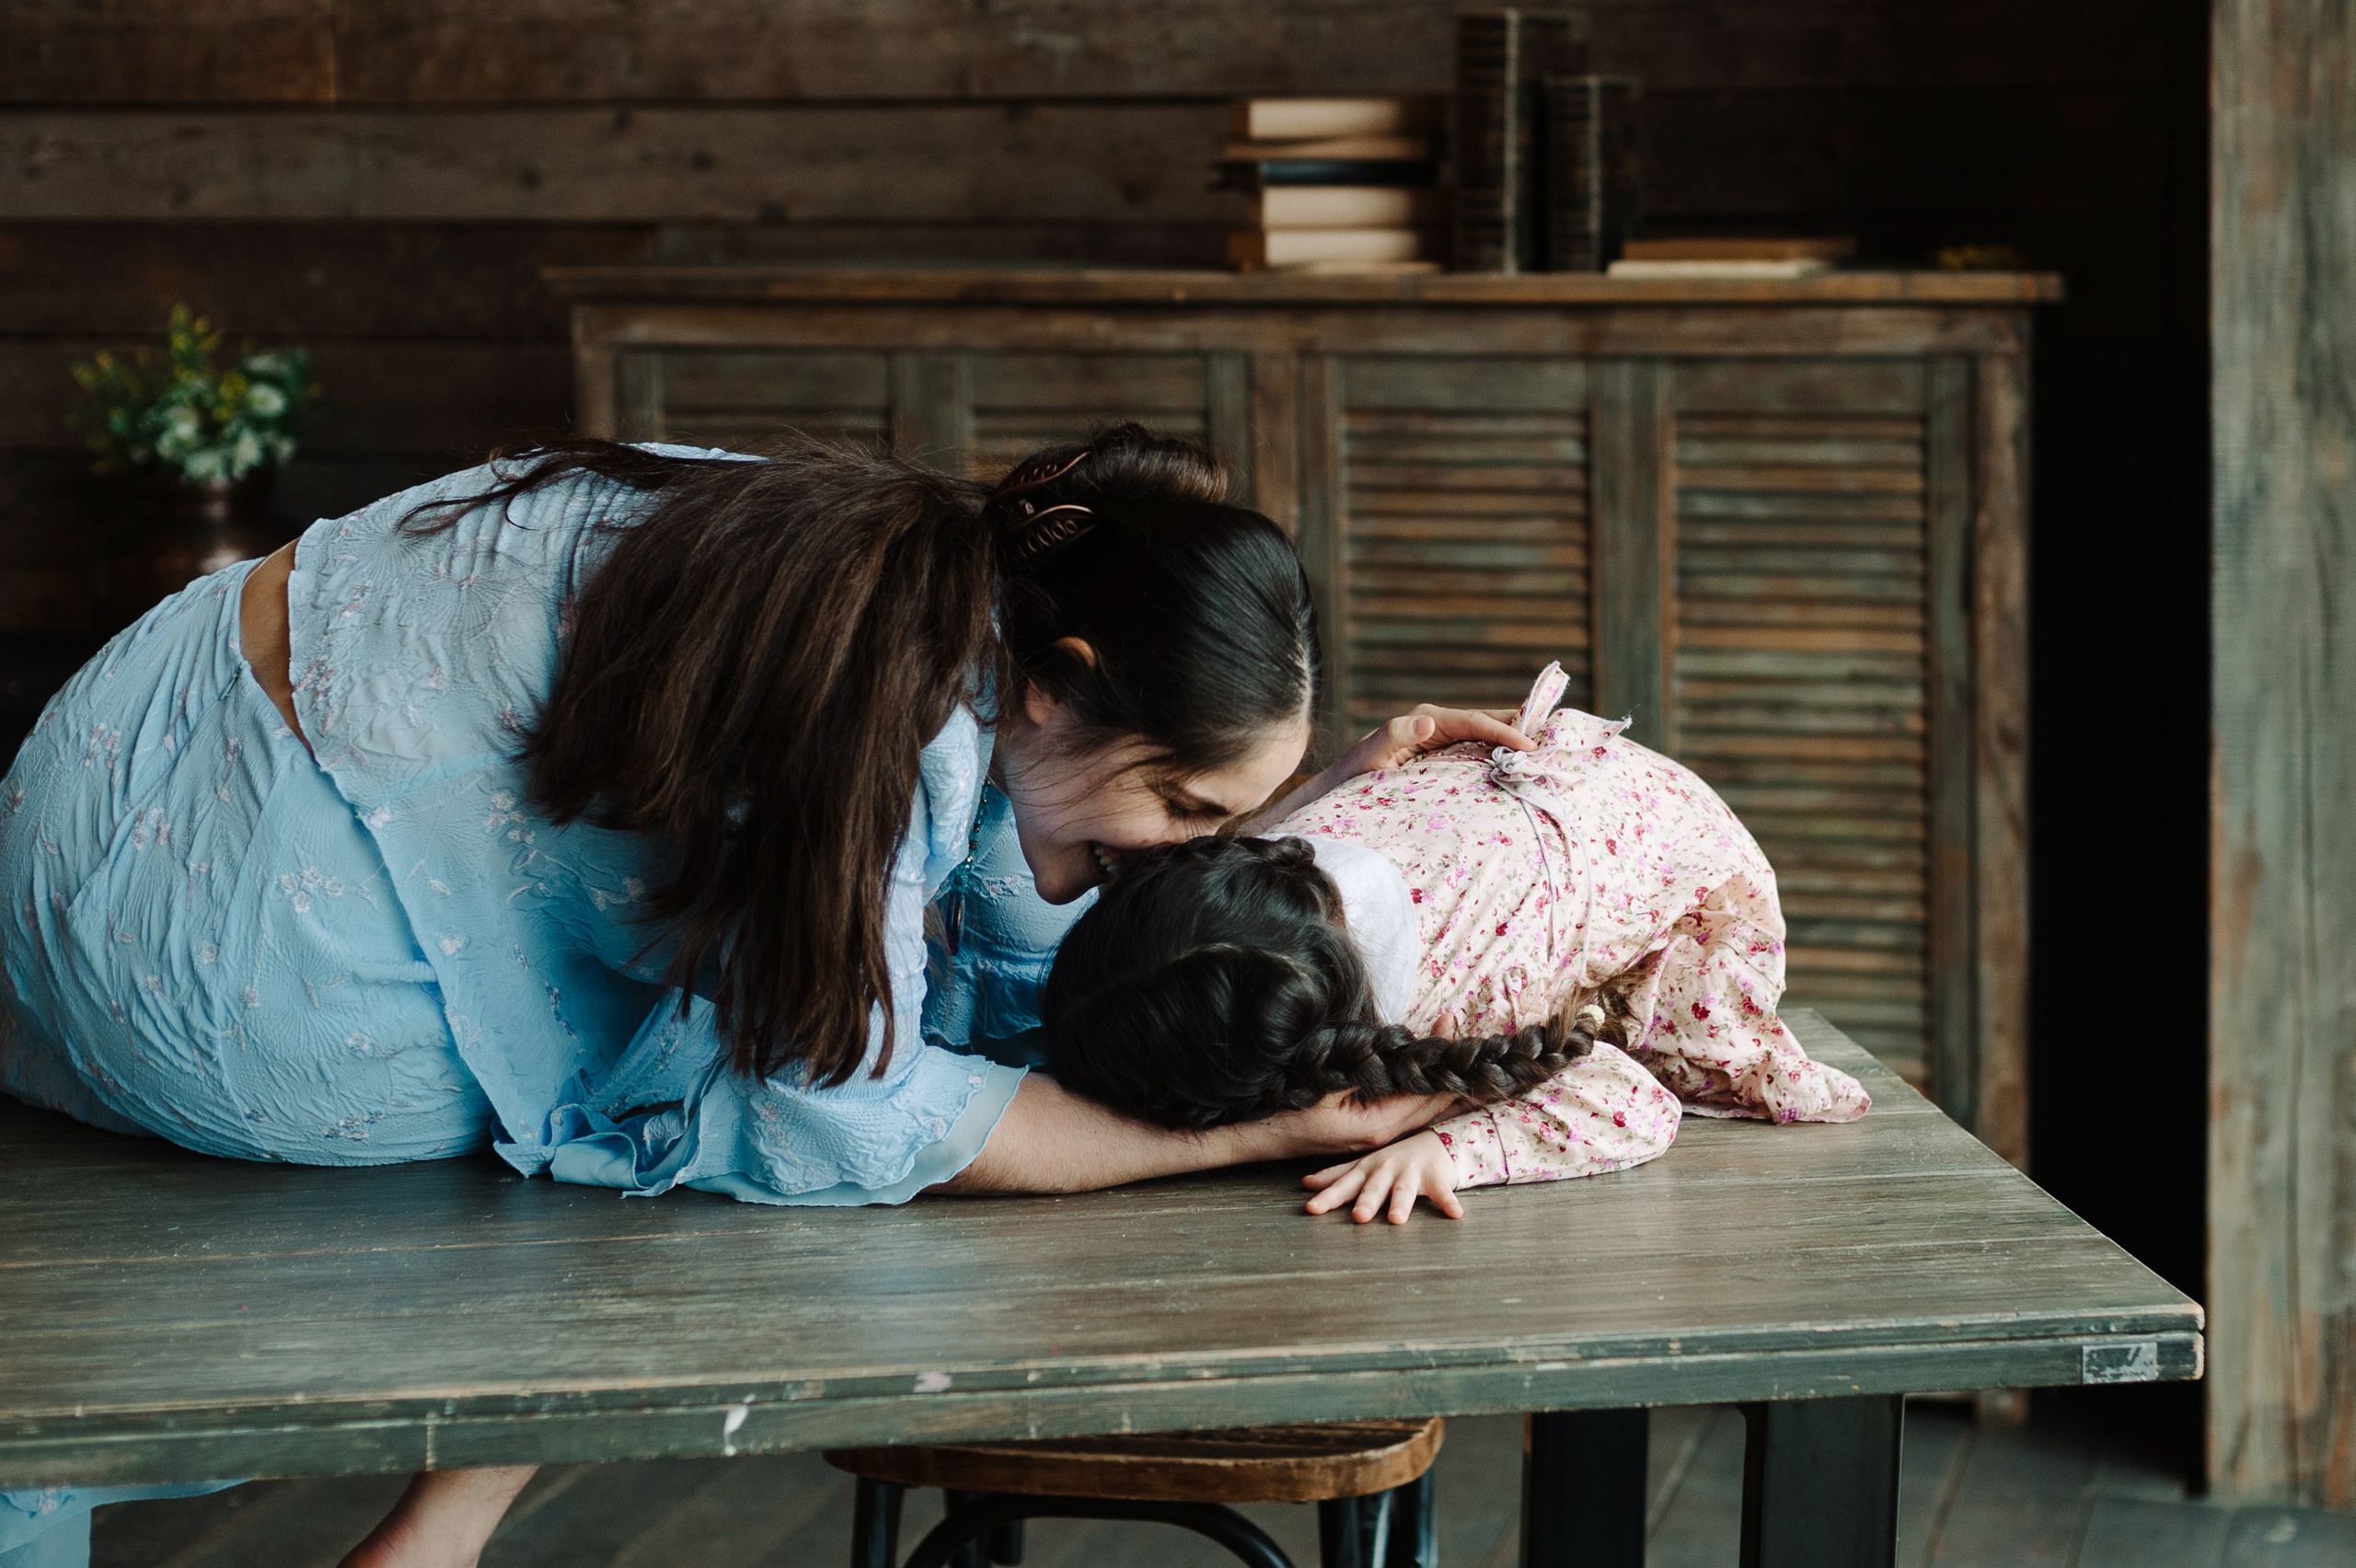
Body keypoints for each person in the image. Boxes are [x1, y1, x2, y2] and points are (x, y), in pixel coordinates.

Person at [0, 426, 1524, 1568]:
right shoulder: (906, 724)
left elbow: (1022, 872)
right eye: (1192, 808)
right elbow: (832, 1103)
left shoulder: (889, 547)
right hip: (239, 951)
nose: (1186, 854)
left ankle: (439, 1529)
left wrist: (1336, 792)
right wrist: (1234, 1141)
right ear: (1057, 680)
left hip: (110, 744)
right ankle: (437, 1533)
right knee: (743, 1108)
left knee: (882, 988)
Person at [1039, 660, 1874, 1227]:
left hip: (1679, 864)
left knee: (1615, 1044)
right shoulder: (1275, 855)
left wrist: (1453, 1150)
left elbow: (1631, 1102)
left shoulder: (1467, 1003)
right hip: (1506, 833)